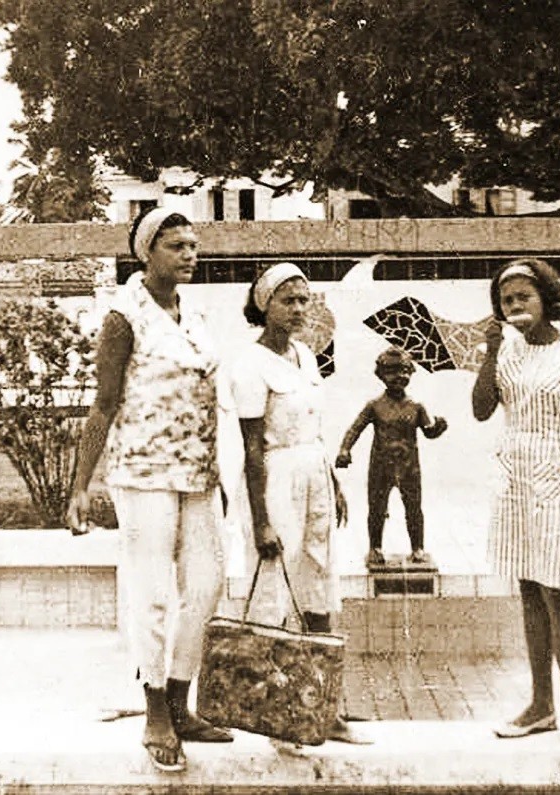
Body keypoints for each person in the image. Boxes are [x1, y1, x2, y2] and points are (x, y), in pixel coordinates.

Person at [66, 207, 233, 773]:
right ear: (147, 252)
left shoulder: (197, 313)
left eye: (193, 244)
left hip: (199, 474)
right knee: (152, 591)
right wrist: (80, 484)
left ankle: (183, 701)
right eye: (176, 245)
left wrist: (218, 470)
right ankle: (156, 710)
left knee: (207, 585)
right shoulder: (123, 315)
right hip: (143, 472)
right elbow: (104, 403)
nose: (190, 254)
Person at [471, 258, 560, 752]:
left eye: (522, 297)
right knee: (529, 589)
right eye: (506, 301)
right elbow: (482, 408)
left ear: (547, 298)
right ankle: (540, 705)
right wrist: (488, 352)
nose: (514, 306)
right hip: (515, 480)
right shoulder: (504, 353)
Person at [231, 261, 368, 745]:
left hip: (314, 477)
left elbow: (315, 428)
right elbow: (251, 448)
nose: (297, 309)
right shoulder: (249, 363)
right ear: (263, 305)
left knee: (319, 589)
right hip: (276, 482)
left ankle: (323, 711)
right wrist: (262, 519)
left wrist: (333, 481)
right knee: (275, 594)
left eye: (303, 299)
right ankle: (280, 718)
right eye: (287, 300)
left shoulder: (306, 357)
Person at [335, 347, 448, 567]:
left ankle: (417, 548)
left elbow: (428, 431)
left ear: (411, 373)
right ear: (381, 374)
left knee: (414, 508)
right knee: (377, 508)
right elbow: (355, 429)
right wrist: (344, 450)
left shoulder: (416, 407)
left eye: (405, 371)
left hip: (409, 466)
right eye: (393, 371)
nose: (400, 376)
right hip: (381, 465)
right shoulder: (375, 406)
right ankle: (375, 548)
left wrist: (438, 428)